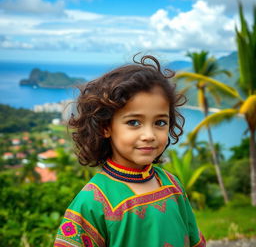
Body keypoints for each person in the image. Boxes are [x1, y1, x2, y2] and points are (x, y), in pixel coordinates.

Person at [54, 55, 206, 247]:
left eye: (160, 122)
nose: (149, 135)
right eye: (134, 122)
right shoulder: (92, 203)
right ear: (105, 127)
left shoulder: (171, 184)